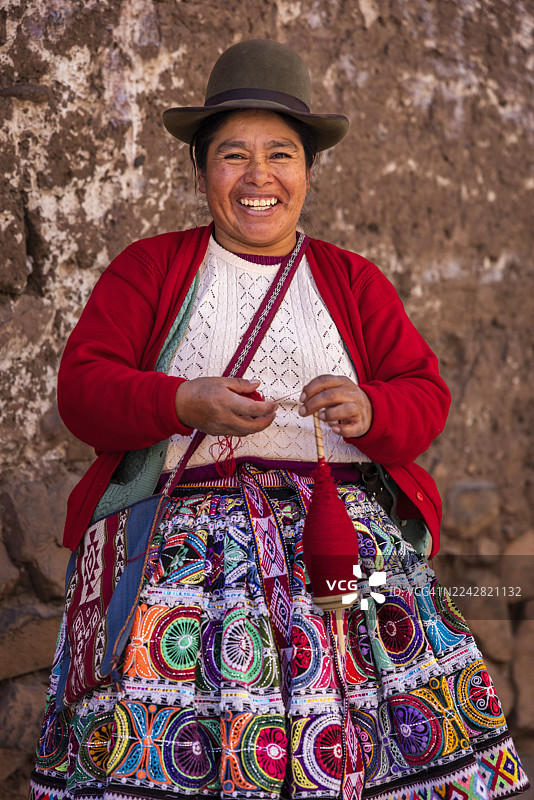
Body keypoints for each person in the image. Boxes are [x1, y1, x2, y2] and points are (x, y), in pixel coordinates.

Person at [29, 39, 528, 800]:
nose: (258, 177)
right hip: (187, 559)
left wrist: (372, 408)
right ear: (199, 172)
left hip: (344, 559)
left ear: (308, 172)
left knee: (377, 738)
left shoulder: (352, 281)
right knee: (196, 743)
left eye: (281, 155)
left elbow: (424, 395)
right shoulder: (150, 269)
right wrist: (181, 402)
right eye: (233, 156)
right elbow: (83, 390)